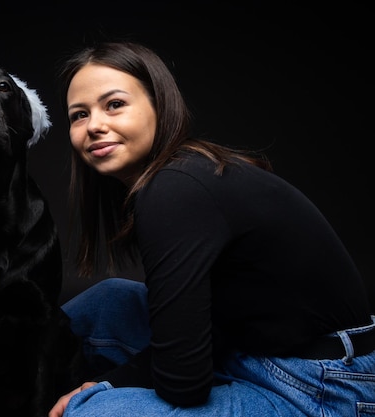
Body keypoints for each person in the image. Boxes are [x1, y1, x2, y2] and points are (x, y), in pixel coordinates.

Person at [48, 41, 375, 417]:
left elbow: (184, 382)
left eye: (115, 104)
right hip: (249, 348)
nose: (95, 126)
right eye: (78, 115)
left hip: (322, 385)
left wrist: (109, 386)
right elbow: (210, 327)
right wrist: (117, 379)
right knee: (107, 302)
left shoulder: (177, 187)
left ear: (159, 105)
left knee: (92, 412)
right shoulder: (176, 177)